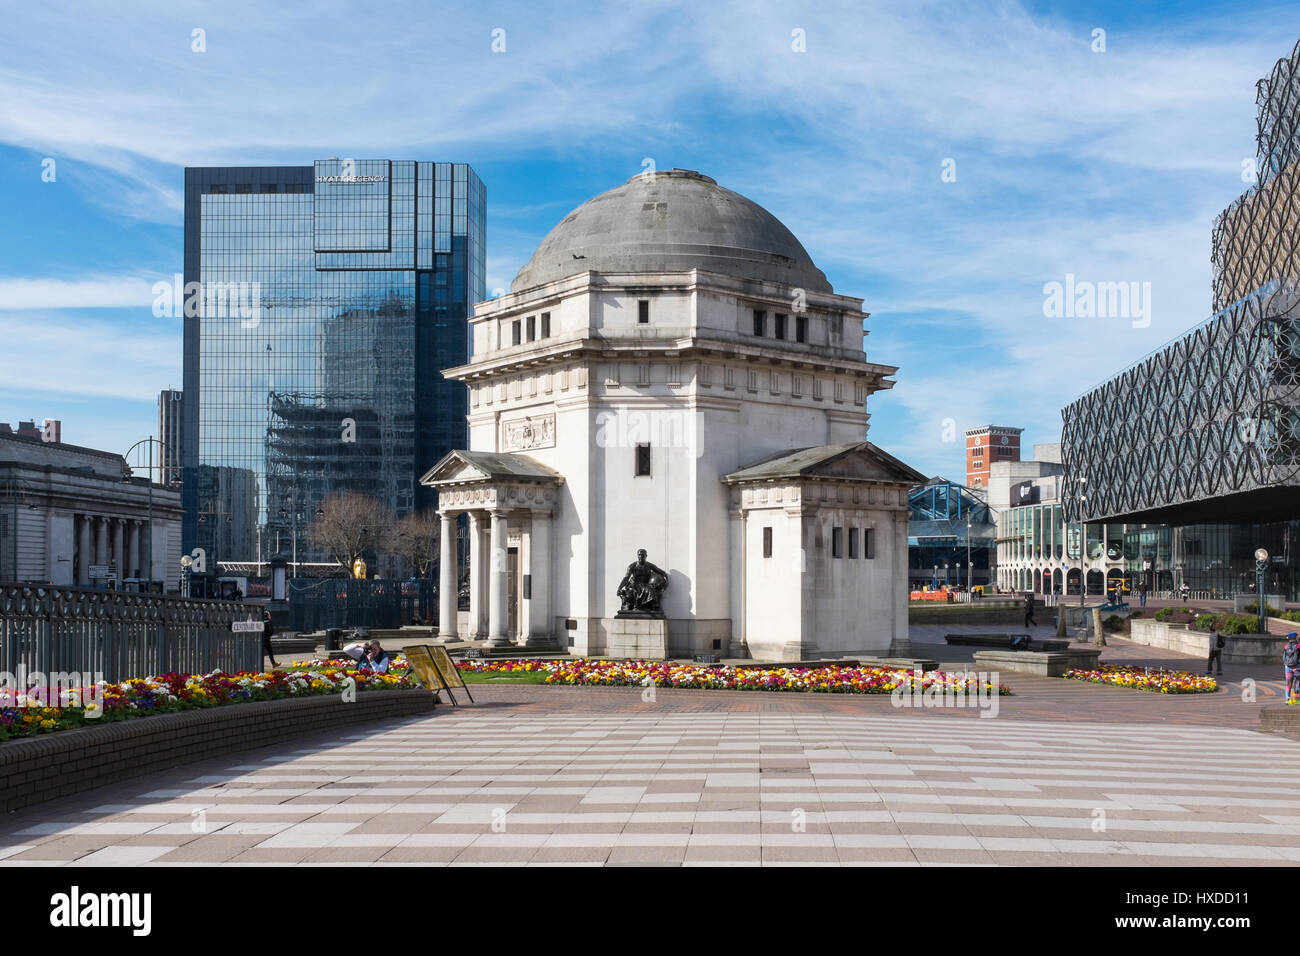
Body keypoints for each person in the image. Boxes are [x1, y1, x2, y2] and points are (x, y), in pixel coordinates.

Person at [1284, 633, 1300, 701]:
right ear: (1294, 638)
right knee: (1297, 682)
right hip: (1297, 667)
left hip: (1288, 667)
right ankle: (1296, 699)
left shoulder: (1286, 646)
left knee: (1288, 683)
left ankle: (1287, 699)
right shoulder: (1298, 646)